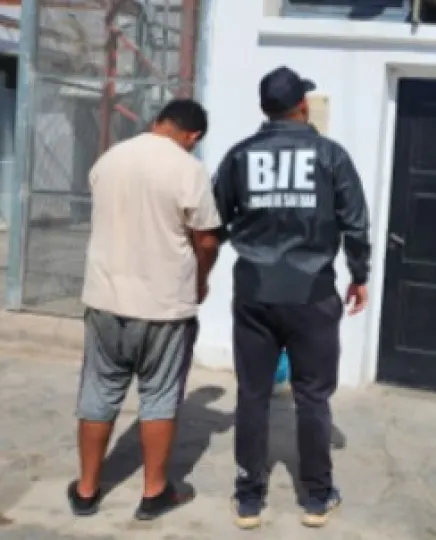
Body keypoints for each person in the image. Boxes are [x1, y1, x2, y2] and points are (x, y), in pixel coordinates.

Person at [212, 65, 371, 530]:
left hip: (255, 293)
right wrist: (359, 275)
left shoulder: (239, 156)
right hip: (312, 293)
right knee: (313, 397)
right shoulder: (330, 155)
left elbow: (214, 221)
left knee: (253, 395)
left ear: (264, 108)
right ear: (302, 105)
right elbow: (355, 223)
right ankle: (316, 497)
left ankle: (248, 498)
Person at [68, 99, 221, 521]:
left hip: (105, 299)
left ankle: (86, 489)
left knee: (98, 392)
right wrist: (201, 279)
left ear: (158, 122)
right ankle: (154, 492)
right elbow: (207, 240)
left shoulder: (109, 160)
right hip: (163, 305)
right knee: (159, 395)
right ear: (192, 135)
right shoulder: (188, 169)